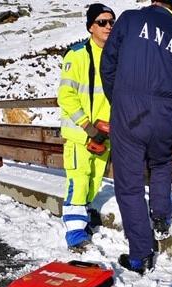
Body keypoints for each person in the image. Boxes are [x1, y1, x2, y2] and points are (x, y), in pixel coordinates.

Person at [101, 0, 172, 274]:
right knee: (161, 162)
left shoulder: (129, 20)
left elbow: (108, 64)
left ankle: (141, 255)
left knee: (129, 184)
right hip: (164, 115)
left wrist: (118, 99)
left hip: (130, 109)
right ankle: (161, 218)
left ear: (153, 0)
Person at [58, 3, 116, 252]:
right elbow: (66, 95)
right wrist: (86, 126)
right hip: (82, 133)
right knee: (78, 180)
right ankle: (74, 233)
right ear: (91, 26)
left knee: (93, 181)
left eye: (111, 21)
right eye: (102, 22)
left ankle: (85, 217)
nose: (108, 26)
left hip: (105, 133)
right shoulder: (77, 54)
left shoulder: (116, 55)